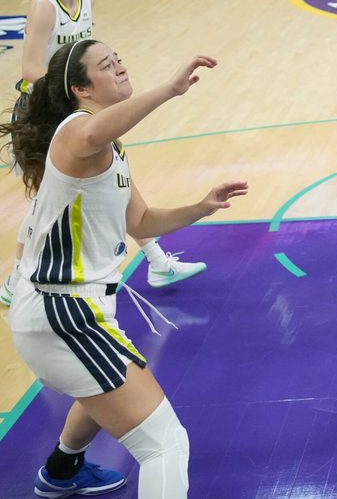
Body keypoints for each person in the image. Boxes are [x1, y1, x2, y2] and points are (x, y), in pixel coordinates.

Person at [0, 39, 247, 498]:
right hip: (63, 312)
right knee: (166, 445)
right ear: (81, 89)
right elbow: (91, 135)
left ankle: (62, 469)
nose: (119, 68)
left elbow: (141, 221)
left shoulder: (110, 148)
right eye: (106, 66)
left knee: (106, 387)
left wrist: (200, 207)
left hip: (74, 309)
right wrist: (170, 89)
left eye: (119, 60)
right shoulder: (76, 130)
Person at [1, 0, 207, 308]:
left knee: (113, 178)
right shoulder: (44, 7)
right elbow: (30, 69)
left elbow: (84, 58)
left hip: (75, 103)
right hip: (45, 108)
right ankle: (16, 278)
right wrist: (71, 90)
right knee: (50, 197)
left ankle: (156, 261)